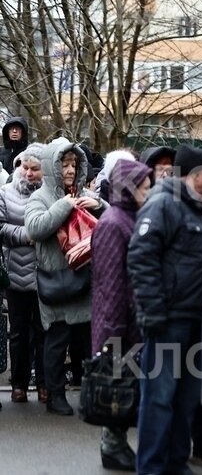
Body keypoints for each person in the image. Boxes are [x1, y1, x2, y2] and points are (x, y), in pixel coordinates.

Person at [127, 144, 202, 474]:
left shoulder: (197, 209)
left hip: (195, 319)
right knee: (159, 399)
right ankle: (151, 467)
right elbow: (141, 256)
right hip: (168, 320)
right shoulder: (164, 203)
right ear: (195, 175)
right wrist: (153, 311)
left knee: (185, 398)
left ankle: (176, 462)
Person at [25, 139, 106, 416]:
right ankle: (55, 395)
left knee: (86, 343)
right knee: (56, 342)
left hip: (85, 279)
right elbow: (34, 229)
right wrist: (65, 206)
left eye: (74, 164)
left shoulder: (84, 191)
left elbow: (110, 218)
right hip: (56, 281)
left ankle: (89, 395)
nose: (70, 170)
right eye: (64, 164)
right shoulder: (40, 196)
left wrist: (97, 204)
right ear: (53, 166)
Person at [90, 158, 152, 471]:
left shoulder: (131, 217)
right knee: (116, 385)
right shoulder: (114, 223)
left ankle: (116, 444)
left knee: (125, 384)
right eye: (143, 184)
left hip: (130, 320)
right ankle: (112, 447)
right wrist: (112, 334)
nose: (149, 189)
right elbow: (111, 284)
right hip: (118, 322)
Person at [0, 143, 47, 405]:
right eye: (25, 167)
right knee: (18, 333)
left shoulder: (51, 194)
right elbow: (1, 227)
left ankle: (43, 384)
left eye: (35, 169)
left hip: (44, 273)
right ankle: (18, 384)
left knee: (44, 332)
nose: (29, 173)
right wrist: (26, 235)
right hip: (16, 272)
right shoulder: (5, 193)